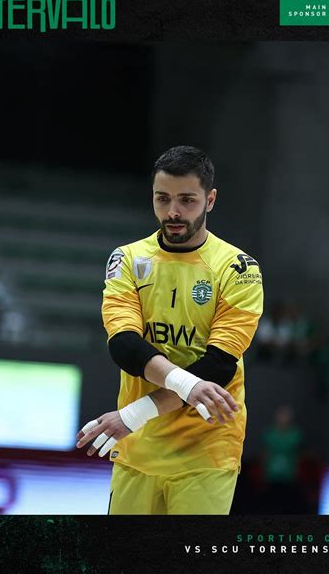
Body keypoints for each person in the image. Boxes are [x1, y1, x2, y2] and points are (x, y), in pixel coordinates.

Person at [77, 145, 263, 514]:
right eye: (162, 199)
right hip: (138, 449)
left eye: (187, 200)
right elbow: (126, 346)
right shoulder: (128, 259)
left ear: (210, 200)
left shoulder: (238, 268)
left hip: (206, 451)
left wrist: (133, 414)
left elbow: (218, 368)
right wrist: (185, 386)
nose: (173, 212)